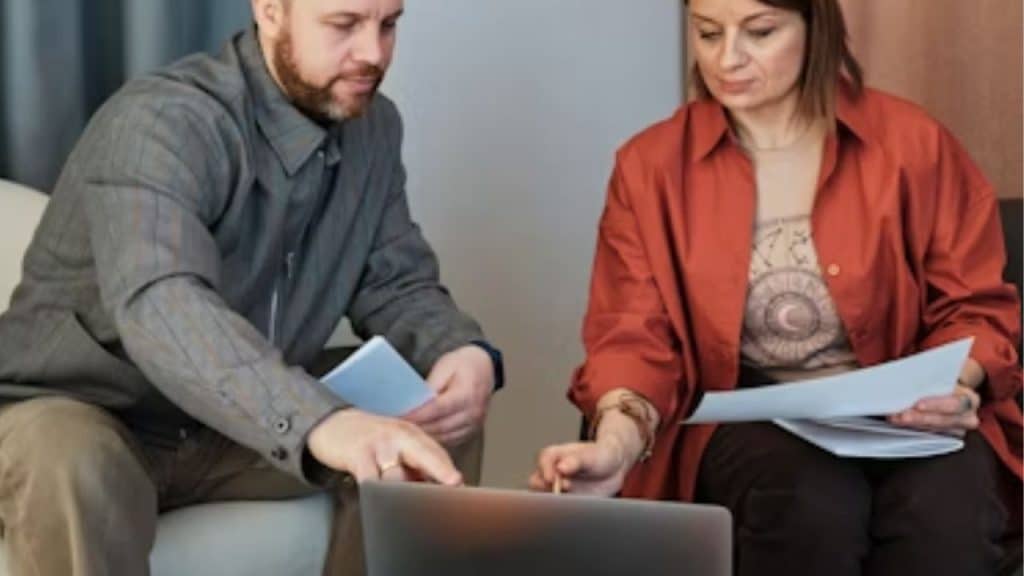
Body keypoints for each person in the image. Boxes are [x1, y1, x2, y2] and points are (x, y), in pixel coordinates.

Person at [0, 0, 504, 574]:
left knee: (429, 425)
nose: (373, 53)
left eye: (388, 25)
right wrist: (319, 421)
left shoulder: (374, 127)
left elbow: (394, 279)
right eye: (344, 24)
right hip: (90, 410)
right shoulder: (161, 121)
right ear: (269, 11)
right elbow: (163, 305)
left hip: (233, 426)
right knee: (69, 459)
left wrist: (458, 349)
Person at [530, 0, 1021, 573]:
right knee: (808, 505)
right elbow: (633, 338)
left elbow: (974, 307)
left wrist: (953, 386)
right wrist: (615, 445)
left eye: (759, 33)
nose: (727, 58)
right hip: (747, 420)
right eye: (707, 33)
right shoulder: (651, 167)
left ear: (816, 27)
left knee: (946, 514)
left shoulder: (915, 145)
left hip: (906, 410)